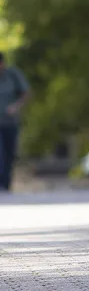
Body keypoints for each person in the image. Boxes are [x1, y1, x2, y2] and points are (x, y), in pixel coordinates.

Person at [0, 52, 31, 192]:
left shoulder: (13, 75)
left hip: (10, 122)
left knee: (9, 153)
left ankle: (6, 184)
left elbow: (26, 93)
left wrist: (15, 106)